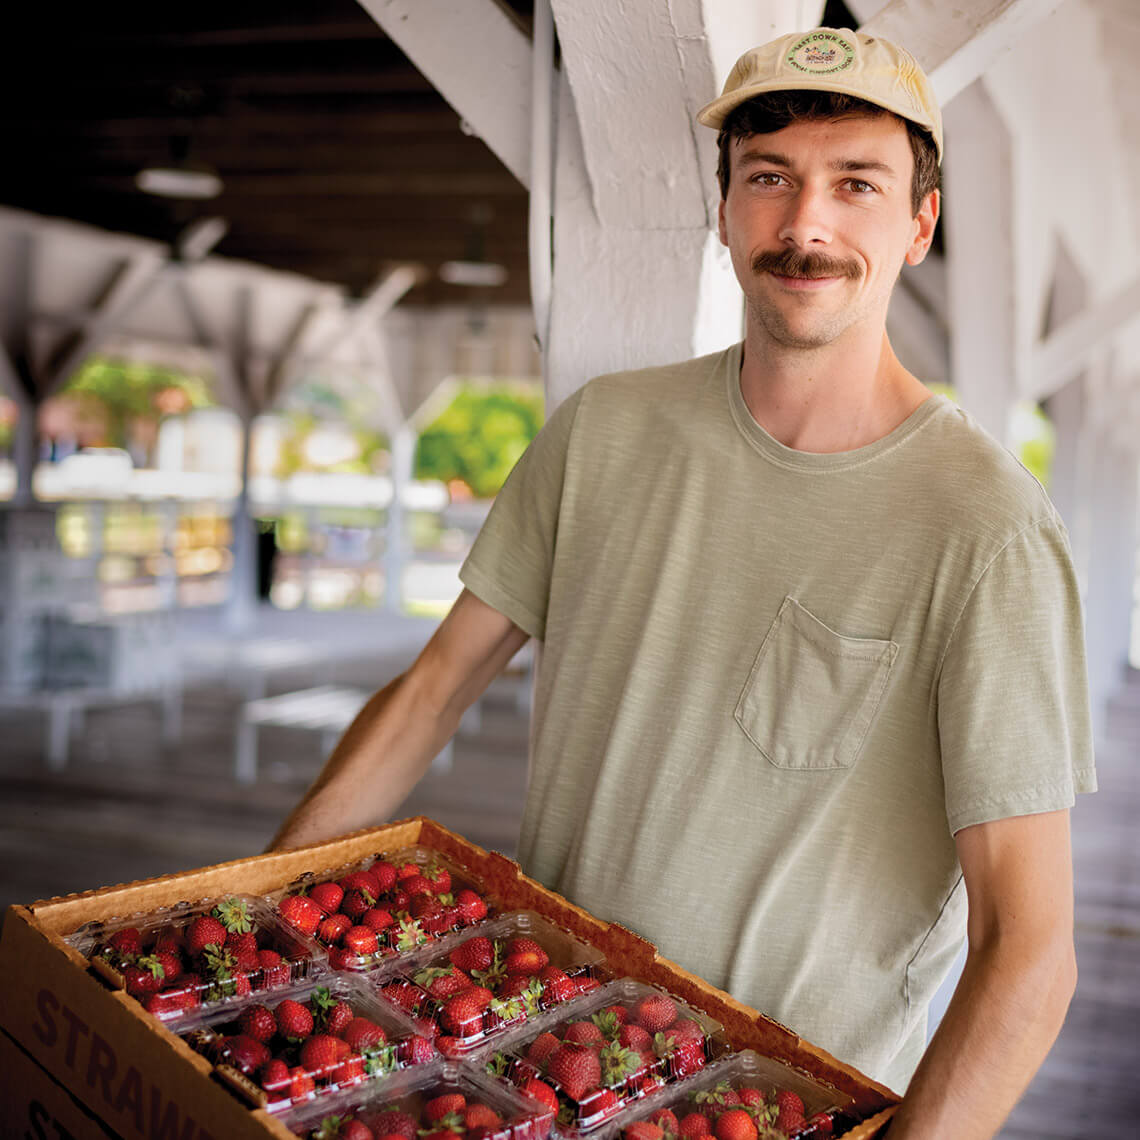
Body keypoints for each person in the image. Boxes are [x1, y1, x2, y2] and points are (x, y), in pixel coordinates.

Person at [270, 27, 1096, 1137]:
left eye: (857, 184)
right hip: (527, 1063)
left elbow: (1028, 951)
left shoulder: (989, 530)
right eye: (770, 178)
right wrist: (259, 920)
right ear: (723, 210)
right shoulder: (604, 432)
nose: (806, 226)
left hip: (769, 1110)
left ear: (920, 224)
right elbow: (429, 696)